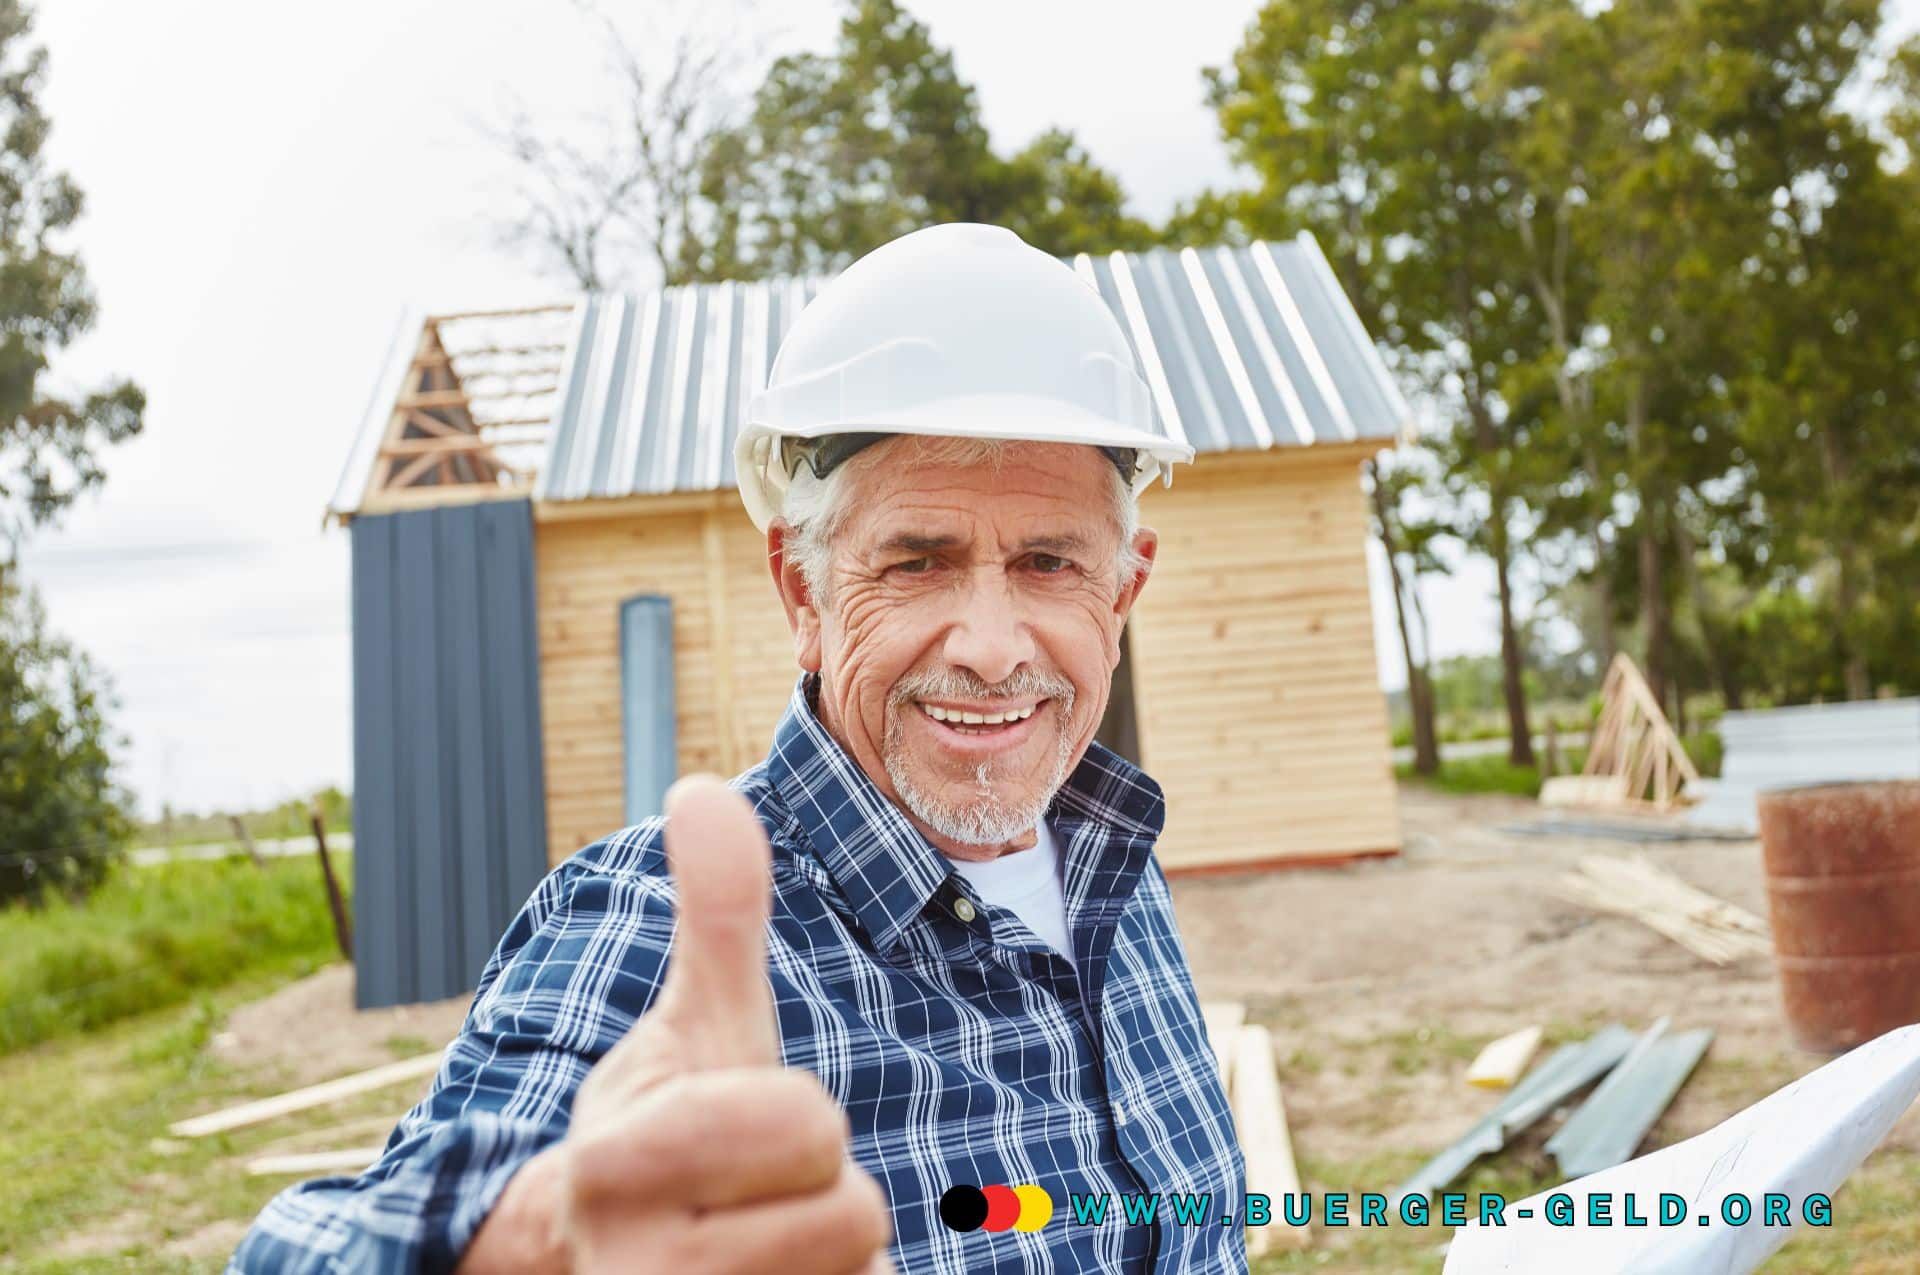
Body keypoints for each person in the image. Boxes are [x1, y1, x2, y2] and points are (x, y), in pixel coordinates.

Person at [232, 223, 1246, 1273]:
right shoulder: (669, 933)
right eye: (915, 564)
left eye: (1047, 563)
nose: (992, 652)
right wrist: (529, 1244)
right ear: (802, 591)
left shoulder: (1110, 861)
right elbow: (334, 1244)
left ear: (1122, 593)